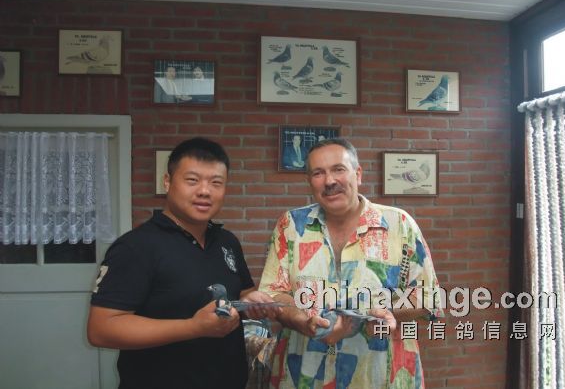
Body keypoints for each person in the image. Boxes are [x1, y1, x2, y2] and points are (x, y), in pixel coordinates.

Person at [88, 137, 279, 389]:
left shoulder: (227, 241)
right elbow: (101, 329)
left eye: (216, 182)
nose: (204, 191)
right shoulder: (135, 247)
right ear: (167, 182)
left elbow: (241, 292)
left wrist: (250, 301)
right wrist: (193, 327)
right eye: (192, 180)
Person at [259, 138, 444, 388]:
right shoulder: (290, 226)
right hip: (304, 375)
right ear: (309, 181)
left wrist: (368, 310)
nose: (329, 181)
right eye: (318, 173)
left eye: (338, 169)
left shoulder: (399, 225)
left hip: (380, 376)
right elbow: (273, 295)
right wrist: (304, 321)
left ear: (358, 175)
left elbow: (428, 298)